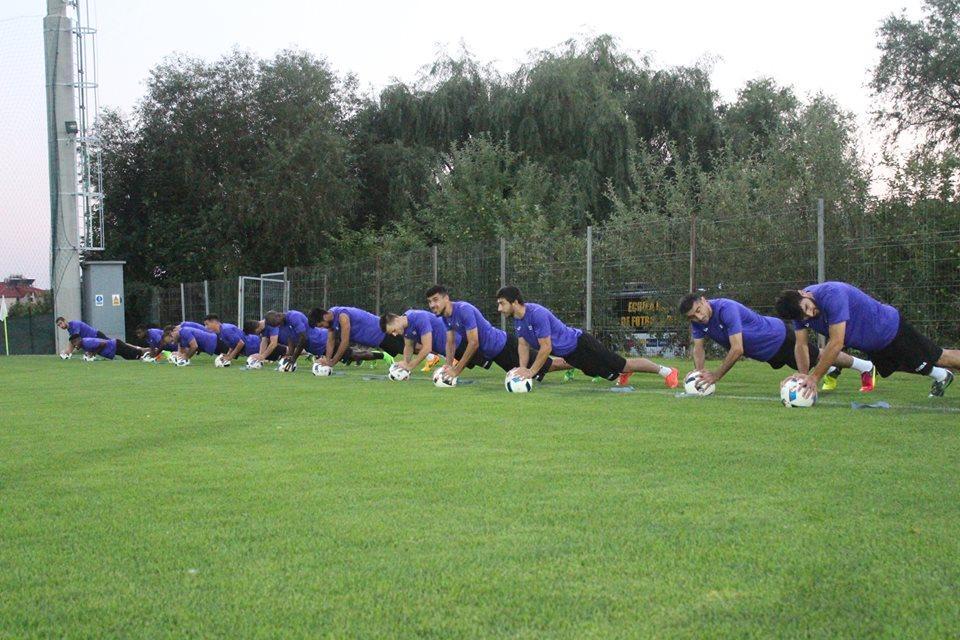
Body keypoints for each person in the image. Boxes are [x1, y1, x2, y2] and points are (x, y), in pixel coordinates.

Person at [775, 281, 958, 398]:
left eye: (807, 307)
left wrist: (814, 377)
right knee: (907, 365)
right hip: (875, 346)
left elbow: (836, 343)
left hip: (891, 329)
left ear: (804, 293)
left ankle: (942, 373)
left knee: (940, 357)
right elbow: (801, 344)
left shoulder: (832, 294)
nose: (810, 314)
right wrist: (803, 374)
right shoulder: (799, 314)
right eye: (804, 316)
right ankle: (942, 376)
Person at [679, 294, 876, 392]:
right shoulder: (698, 323)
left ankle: (865, 366)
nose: (698, 317)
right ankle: (832, 369)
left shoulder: (726, 309)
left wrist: (715, 376)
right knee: (817, 357)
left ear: (704, 301)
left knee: (818, 355)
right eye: (692, 316)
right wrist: (699, 373)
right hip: (766, 353)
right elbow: (698, 348)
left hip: (778, 338)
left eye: (698, 310)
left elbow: (737, 349)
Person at [496, 285, 679, 387]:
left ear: (515, 302)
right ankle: (622, 372)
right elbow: (523, 345)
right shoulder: (518, 320)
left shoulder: (537, 314)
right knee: (601, 372)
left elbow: (546, 347)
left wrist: (531, 372)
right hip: (571, 355)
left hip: (582, 344)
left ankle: (667, 371)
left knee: (623, 363)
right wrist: (522, 369)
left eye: (502, 303)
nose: (499, 308)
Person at [424, 285, 563, 381]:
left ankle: (572, 361)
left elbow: (474, 343)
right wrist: (448, 365)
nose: (432, 305)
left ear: (446, 298)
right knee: (532, 372)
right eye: (429, 302)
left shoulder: (463, 310)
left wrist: (456, 370)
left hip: (504, 346)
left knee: (549, 366)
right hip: (495, 354)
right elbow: (450, 342)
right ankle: (571, 361)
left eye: (435, 300)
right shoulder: (445, 317)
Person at [309, 306, 402, 368]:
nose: (323, 328)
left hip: (384, 333)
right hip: (378, 341)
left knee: (409, 349)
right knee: (404, 350)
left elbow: (345, 342)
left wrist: (332, 362)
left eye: (321, 325)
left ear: (325, 317)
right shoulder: (331, 321)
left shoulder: (342, 316)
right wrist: (328, 360)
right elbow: (330, 341)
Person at [380, 309, 461, 373]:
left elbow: (427, 348)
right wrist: (405, 362)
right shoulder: (405, 326)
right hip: (450, 351)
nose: (394, 334)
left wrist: (411, 366)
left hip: (460, 344)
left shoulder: (417, 317)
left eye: (393, 330)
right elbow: (409, 346)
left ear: (396, 320)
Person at [70, 335, 148, 360]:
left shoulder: (86, 342)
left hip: (116, 346)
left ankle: (151, 354)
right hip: (115, 348)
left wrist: (93, 354)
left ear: (79, 340)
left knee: (137, 353)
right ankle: (148, 355)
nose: (74, 345)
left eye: (74, 342)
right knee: (131, 357)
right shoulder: (84, 344)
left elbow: (103, 343)